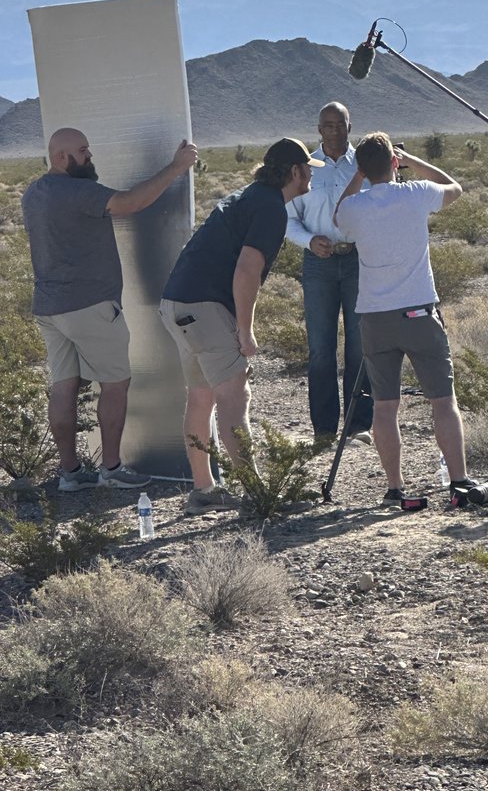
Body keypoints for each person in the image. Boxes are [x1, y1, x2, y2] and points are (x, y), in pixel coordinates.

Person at [22, 127, 198, 491]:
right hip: (90, 307)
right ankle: (112, 469)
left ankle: (70, 474)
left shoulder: (34, 193)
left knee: (63, 387)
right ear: (61, 157)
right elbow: (130, 202)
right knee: (116, 384)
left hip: (49, 308)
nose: (90, 156)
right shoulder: (79, 192)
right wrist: (176, 168)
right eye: (83, 151)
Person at [159, 138, 323, 513]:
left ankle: (204, 490)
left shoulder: (250, 196)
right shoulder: (270, 208)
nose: (311, 173)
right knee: (235, 397)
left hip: (177, 303)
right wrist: (245, 331)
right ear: (293, 172)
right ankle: (256, 495)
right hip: (205, 307)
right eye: (307, 167)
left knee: (201, 397)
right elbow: (247, 271)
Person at [334, 132, 474, 506]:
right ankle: (458, 482)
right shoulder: (416, 193)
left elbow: (338, 215)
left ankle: (395, 487)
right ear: (395, 163)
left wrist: (359, 175)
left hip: (375, 319)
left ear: (362, 167)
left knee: (384, 406)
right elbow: (455, 188)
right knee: (443, 402)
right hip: (418, 312)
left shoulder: (356, 207)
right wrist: (414, 161)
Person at [285, 101, 373, 444]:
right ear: (319, 129)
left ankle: (359, 426)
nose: (334, 130)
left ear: (350, 126)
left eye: (340, 124)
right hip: (318, 264)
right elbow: (287, 218)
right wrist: (308, 241)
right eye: (328, 125)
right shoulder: (305, 168)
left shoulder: (364, 164)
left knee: (359, 344)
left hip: (358, 260)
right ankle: (323, 429)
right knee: (321, 348)